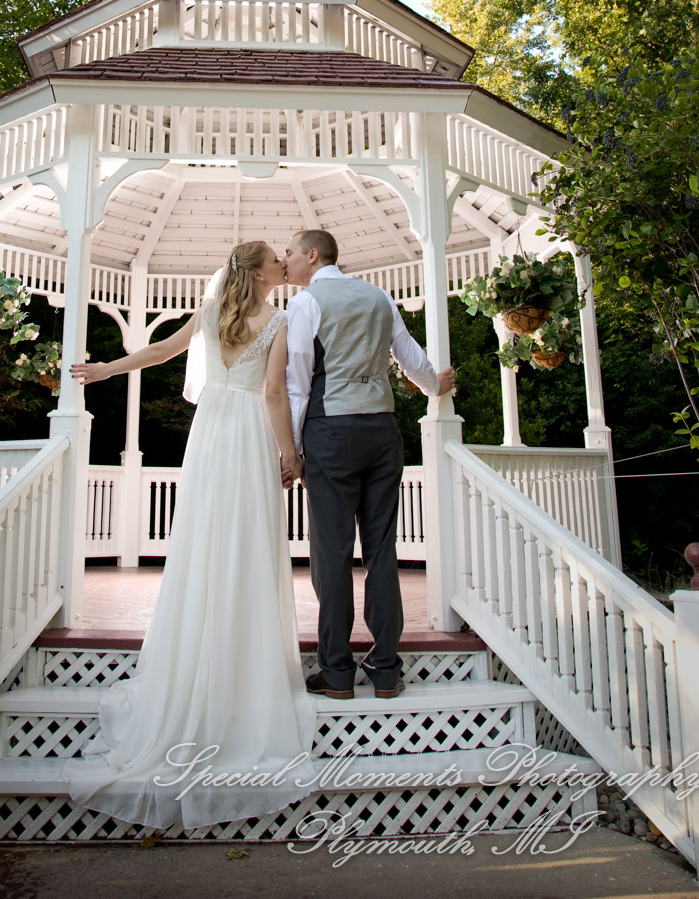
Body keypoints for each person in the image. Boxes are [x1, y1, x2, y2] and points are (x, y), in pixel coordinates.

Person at [65, 241, 316, 829]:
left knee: (205, 545)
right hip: (250, 431)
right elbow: (275, 394)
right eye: (277, 263)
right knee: (248, 548)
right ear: (259, 275)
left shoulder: (210, 315)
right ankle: (243, 670)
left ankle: (203, 660)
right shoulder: (276, 321)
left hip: (209, 435)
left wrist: (106, 370)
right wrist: (292, 456)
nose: (285, 266)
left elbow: (156, 352)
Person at [283, 228, 456, 701]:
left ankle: (337, 671)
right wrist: (433, 388)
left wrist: (293, 451)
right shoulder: (379, 295)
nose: (286, 262)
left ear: (313, 255)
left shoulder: (305, 304)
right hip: (382, 431)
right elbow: (412, 359)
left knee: (332, 554)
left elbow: (297, 383)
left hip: (331, 432)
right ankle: (385, 669)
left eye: (291, 254)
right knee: (381, 549)